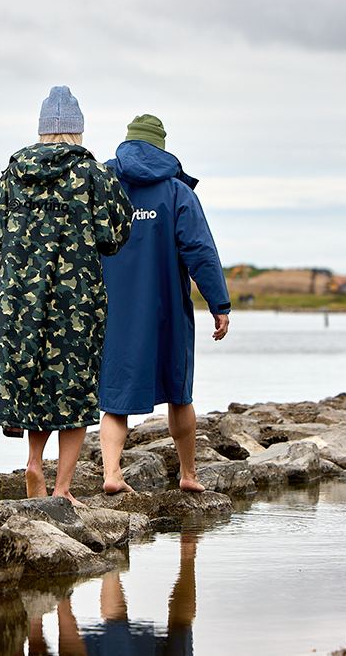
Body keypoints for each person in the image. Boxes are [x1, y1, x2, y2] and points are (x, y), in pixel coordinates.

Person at [0, 86, 133, 506]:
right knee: (74, 388)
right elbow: (116, 233)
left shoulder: (13, 171)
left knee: (35, 381)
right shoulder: (94, 174)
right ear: (78, 131)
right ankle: (62, 488)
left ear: (42, 130)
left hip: (20, 299)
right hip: (76, 299)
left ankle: (33, 462)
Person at [98, 114, 230, 494]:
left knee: (115, 398)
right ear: (161, 147)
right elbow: (200, 252)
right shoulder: (176, 192)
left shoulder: (105, 186)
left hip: (114, 311)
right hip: (166, 310)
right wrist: (219, 304)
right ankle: (188, 475)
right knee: (179, 393)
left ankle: (111, 474)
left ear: (127, 143)